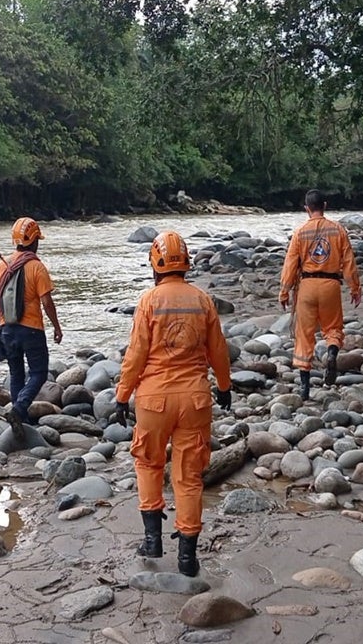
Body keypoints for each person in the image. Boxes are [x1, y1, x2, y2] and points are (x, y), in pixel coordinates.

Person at [114, 230, 232, 577]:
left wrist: (122, 395)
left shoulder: (149, 301)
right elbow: (218, 351)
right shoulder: (203, 300)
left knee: (148, 464)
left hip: (153, 399)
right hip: (195, 399)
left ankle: (152, 541)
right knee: (189, 477)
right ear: (186, 262)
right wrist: (224, 387)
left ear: (155, 262)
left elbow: (135, 356)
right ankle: (187, 558)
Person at [279, 189, 363, 400]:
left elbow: (290, 264)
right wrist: (355, 288)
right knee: (333, 328)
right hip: (330, 285)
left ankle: (305, 388)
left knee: (304, 336)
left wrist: (284, 291)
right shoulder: (338, 230)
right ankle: (332, 353)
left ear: (307, 209)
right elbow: (349, 262)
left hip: (307, 286)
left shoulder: (300, 232)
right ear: (324, 206)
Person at [0, 217, 63, 437]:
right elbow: (47, 302)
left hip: (7, 328)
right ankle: (19, 409)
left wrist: (0, 320)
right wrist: (57, 328)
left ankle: (20, 418)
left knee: (16, 373)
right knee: (39, 373)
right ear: (34, 242)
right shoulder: (36, 267)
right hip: (32, 329)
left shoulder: (3, 265)